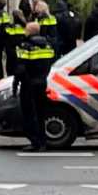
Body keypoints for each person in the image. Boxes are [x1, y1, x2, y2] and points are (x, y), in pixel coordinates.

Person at [14, 21, 57, 153]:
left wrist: (17, 82)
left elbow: (21, 68)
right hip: (42, 81)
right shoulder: (47, 45)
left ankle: (34, 141)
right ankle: (42, 142)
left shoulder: (26, 46)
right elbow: (50, 63)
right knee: (40, 113)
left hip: (29, 84)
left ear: (29, 32)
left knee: (28, 113)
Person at [4, 10, 27, 77]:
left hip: (11, 52)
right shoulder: (25, 27)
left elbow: (6, 38)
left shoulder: (10, 27)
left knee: (10, 71)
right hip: (21, 53)